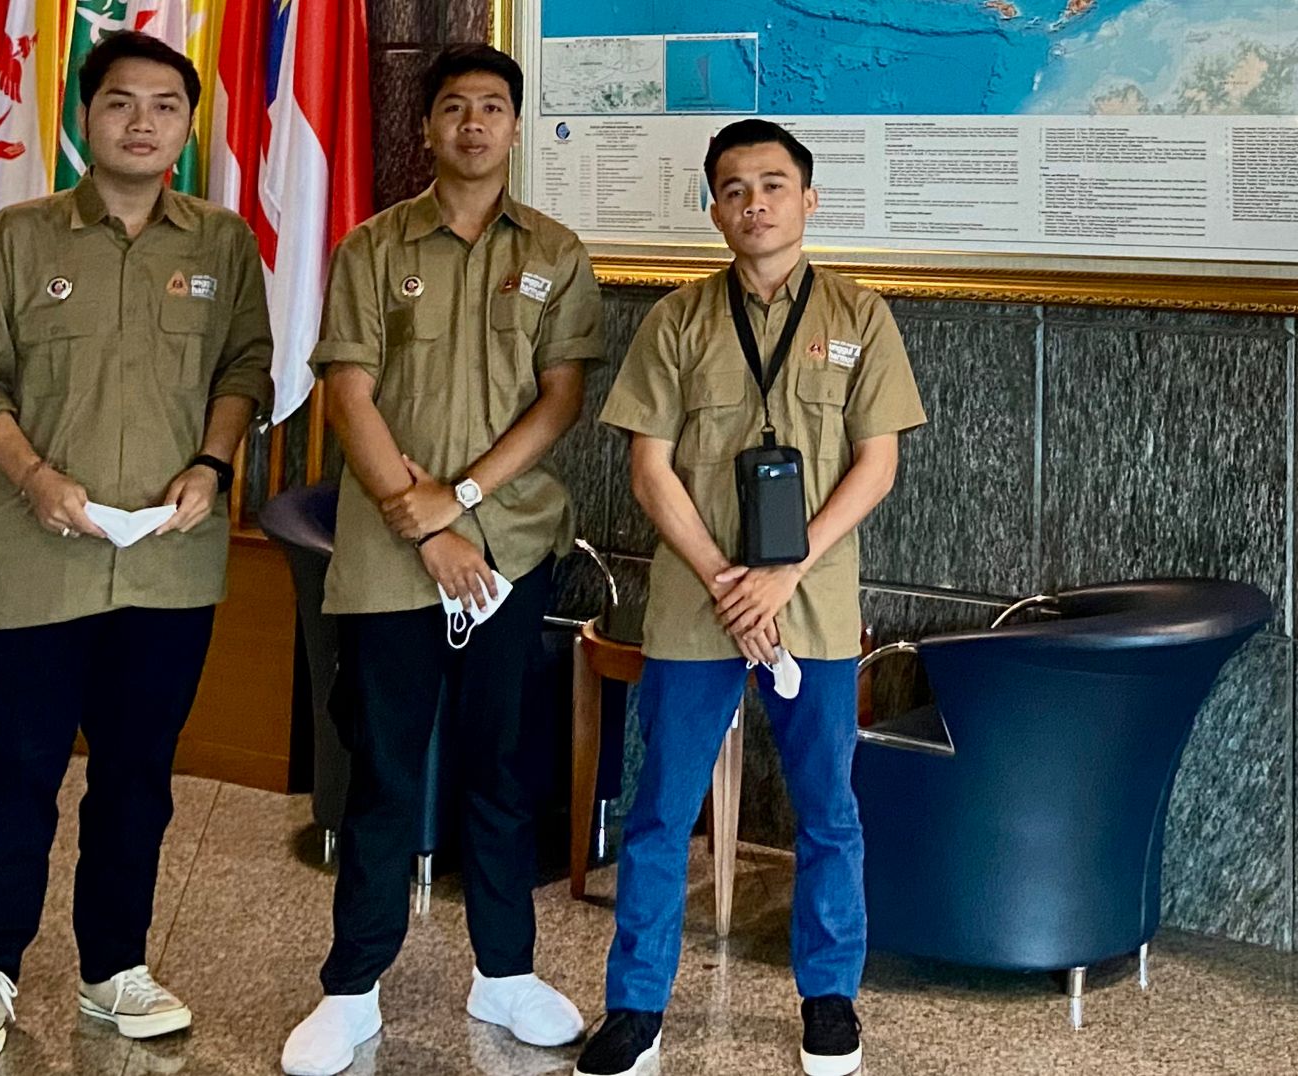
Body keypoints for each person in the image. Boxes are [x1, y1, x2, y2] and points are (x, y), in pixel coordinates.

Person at [0, 31, 274, 1063]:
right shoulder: (18, 238)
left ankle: (113, 967)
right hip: (37, 558)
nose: (141, 122)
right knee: (20, 766)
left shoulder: (221, 244)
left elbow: (245, 369)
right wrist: (37, 479)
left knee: (138, 774)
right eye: (121, 101)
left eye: (165, 105)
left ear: (188, 125)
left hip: (166, 560)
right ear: (86, 117)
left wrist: (212, 466)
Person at [575, 119, 927, 1076]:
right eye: (734, 189)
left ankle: (830, 998)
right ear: (714, 209)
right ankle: (635, 1009)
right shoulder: (677, 320)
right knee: (661, 810)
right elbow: (649, 470)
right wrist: (726, 579)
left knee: (827, 810)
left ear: (809, 200)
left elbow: (878, 463)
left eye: (773, 185)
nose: (755, 204)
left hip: (812, 600)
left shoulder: (860, 315)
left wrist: (784, 570)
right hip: (698, 602)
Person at [280, 43, 605, 1076]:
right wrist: (422, 525)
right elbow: (349, 393)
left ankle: (504, 971)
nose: (473, 123)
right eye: (454, 106)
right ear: (426, 127)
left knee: (500, 769)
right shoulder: (374, 247)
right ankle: (351, 987)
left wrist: (459, 499)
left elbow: (560, 398)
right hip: (392, 555)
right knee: (382, 770)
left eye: (493, 106)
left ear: (516, 126)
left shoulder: (555, 251)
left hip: (508, 546)